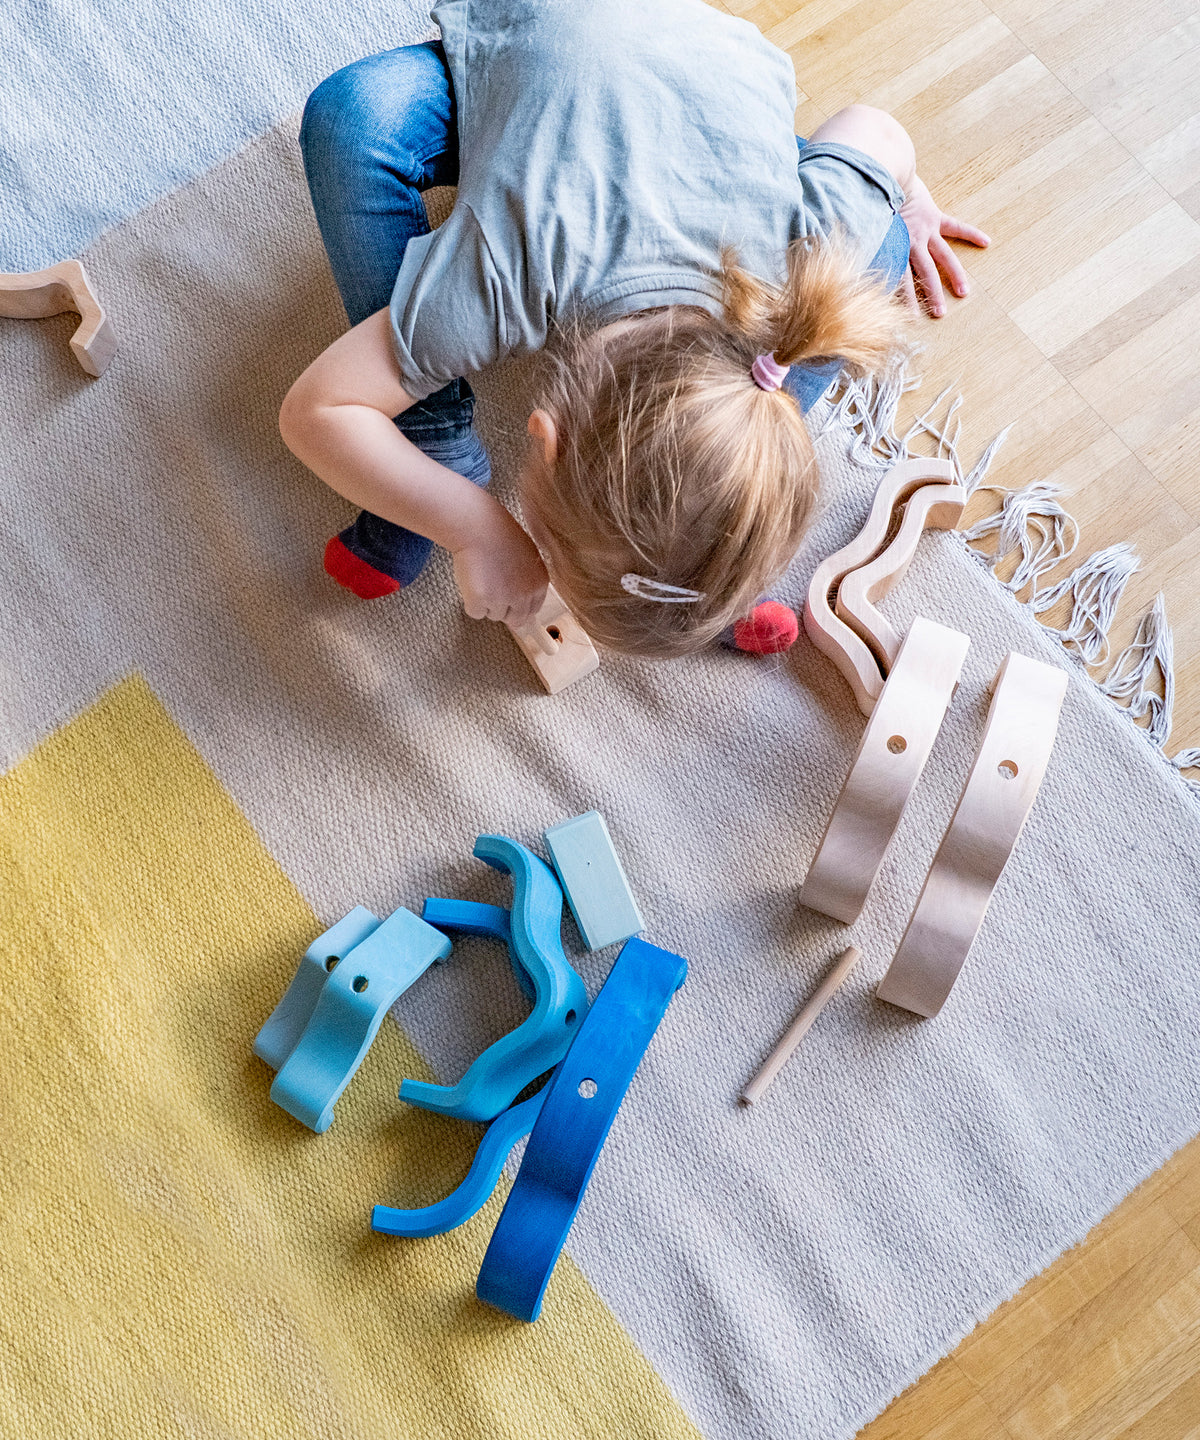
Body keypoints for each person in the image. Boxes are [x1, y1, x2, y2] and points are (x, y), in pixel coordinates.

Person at [279, 0, 988, 658]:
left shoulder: (806, 258)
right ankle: (433, 439)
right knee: (355, 115)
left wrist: (903, 196)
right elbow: (318, 410)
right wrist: (475, 528)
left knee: (870, 250)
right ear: (543, 432)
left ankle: (727, 505)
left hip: (695, 87)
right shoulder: (511, 263)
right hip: (549, 45)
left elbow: (875, 128)